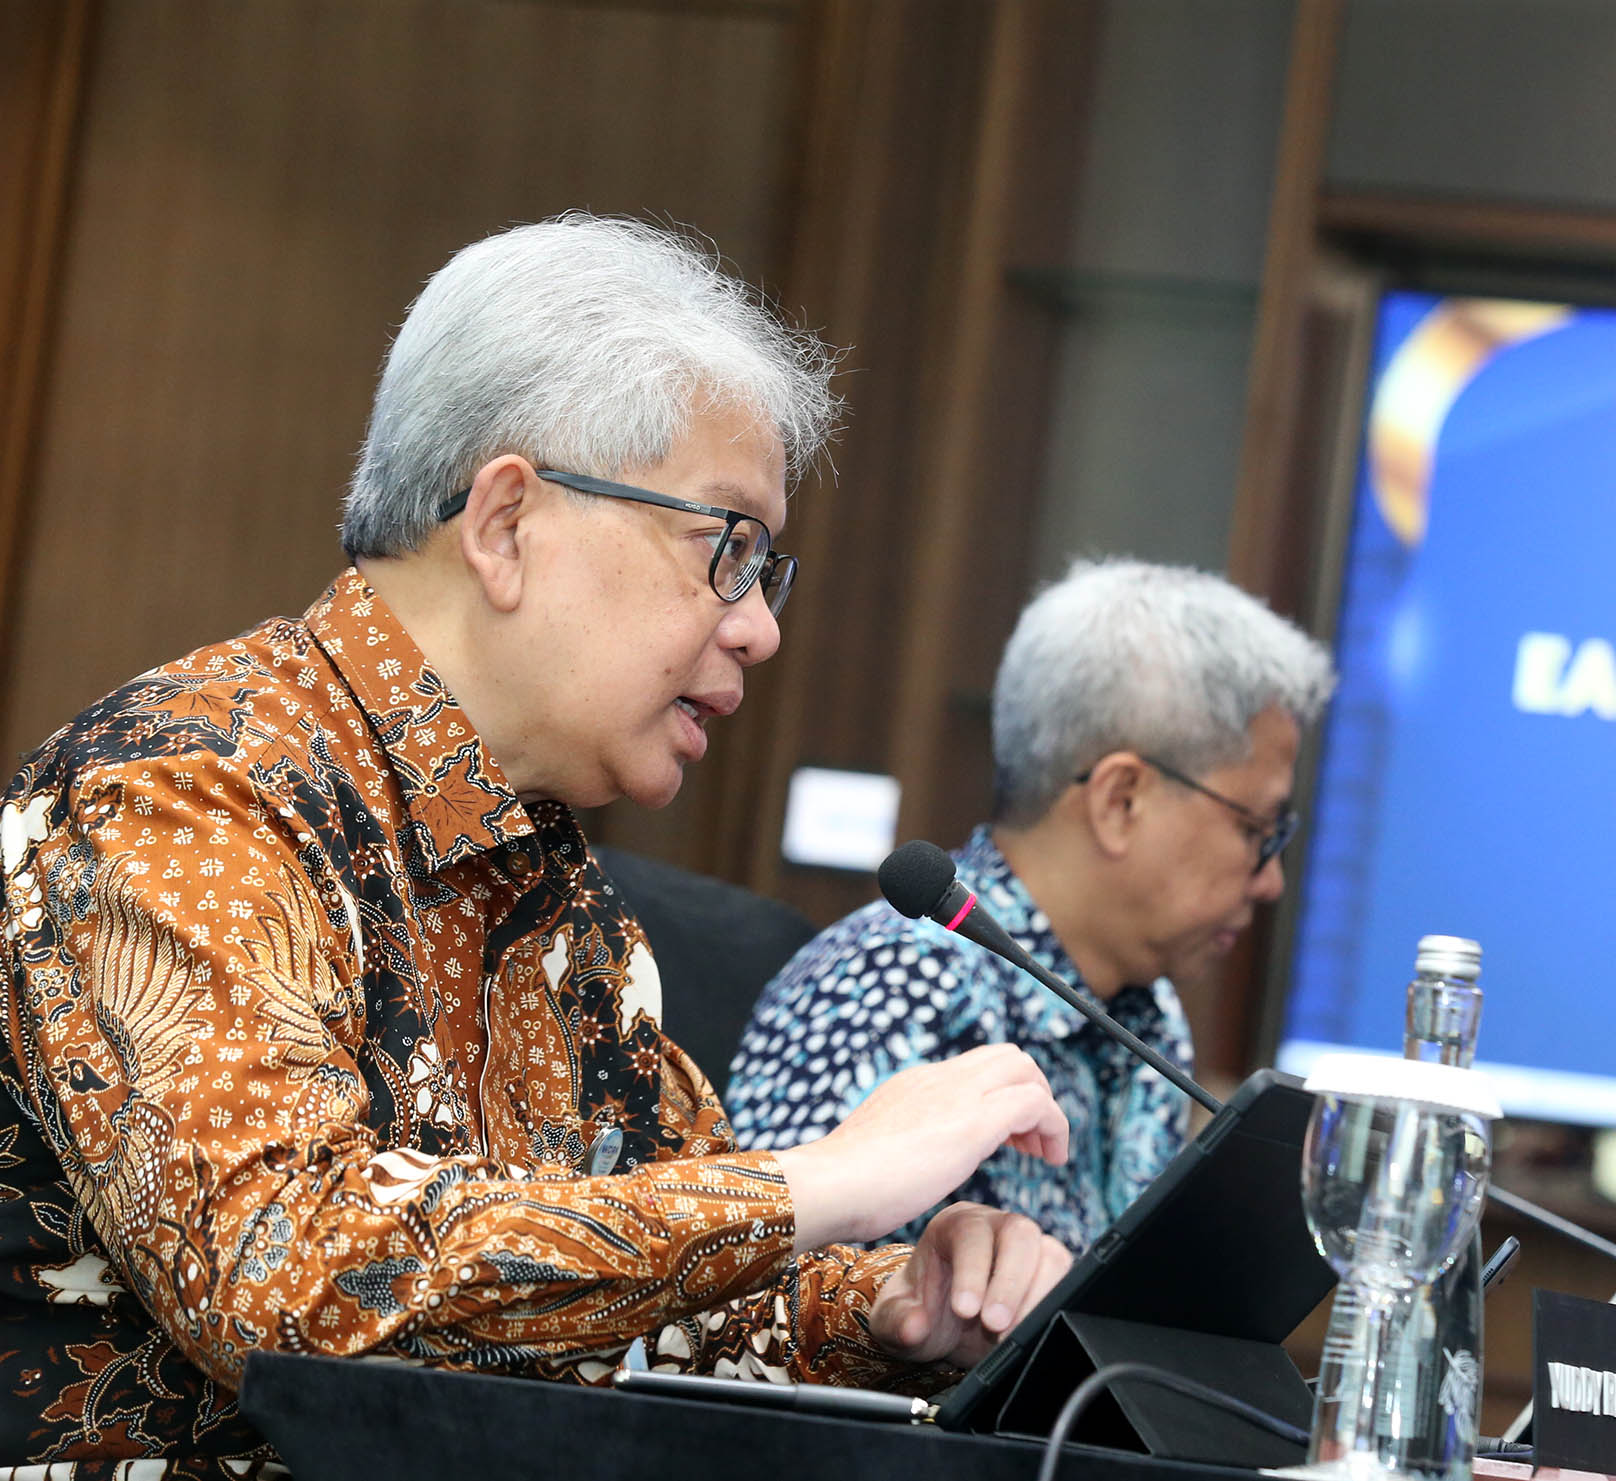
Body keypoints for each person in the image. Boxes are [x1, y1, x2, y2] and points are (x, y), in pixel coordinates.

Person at [0, 214, 1073, 1474]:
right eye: (726, 546)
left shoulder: (548, 879)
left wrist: (891, 1306)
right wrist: (815, 1183)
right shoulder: (185, 789)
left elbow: (659, 1295)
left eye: (767, 570)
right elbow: (286, 1278)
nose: (758, 630)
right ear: (507, 523)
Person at [725, 559, 1336, 1253]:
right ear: (1120, 801)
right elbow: (752, 1305)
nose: (1270, 883)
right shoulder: (888, 986)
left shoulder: (1145, 1013)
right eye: (1257, 831)